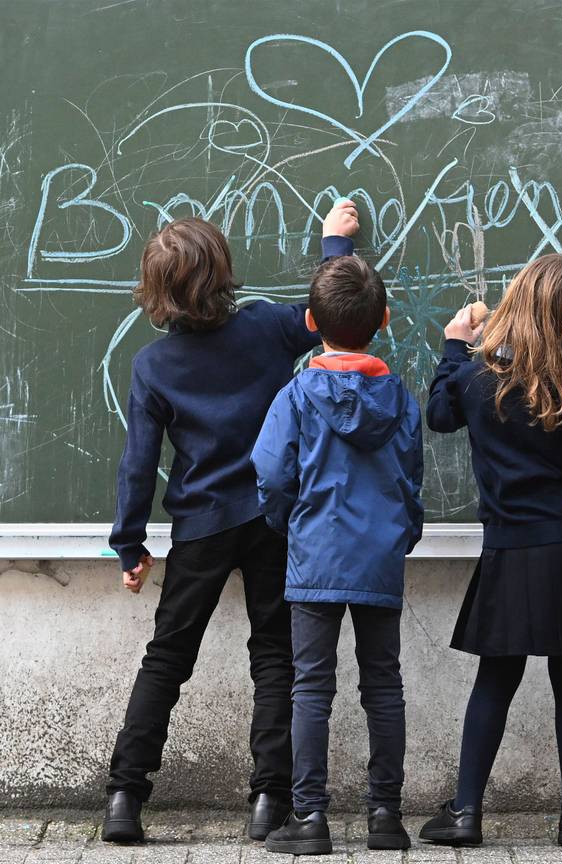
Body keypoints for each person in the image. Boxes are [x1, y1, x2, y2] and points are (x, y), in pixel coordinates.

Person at [101, 202, 361, 844]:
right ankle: (270, 801)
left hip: (201, 525)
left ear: (157, 291)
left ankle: (124, 800)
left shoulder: (154, 366)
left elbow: (139, 465)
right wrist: (334, 245)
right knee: (275, 655)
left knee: (166, 658)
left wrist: (129, 544)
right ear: (223, 273)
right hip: (273, 517)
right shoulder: (268, 329)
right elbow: (332, 314)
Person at [420, 254, 562, 847]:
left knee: (495, 680)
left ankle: (465, 812)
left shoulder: (478, 381)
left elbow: (438, 416)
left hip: (510, 550)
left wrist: (456, 348)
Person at [252, 246, 424, 855]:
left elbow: (271, 476)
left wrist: (290, 523)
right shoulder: (400, 398)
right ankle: (385, 817)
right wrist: (404, 531)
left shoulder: (297, 396)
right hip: (378, 556)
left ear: (313, 324)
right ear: (382, 321)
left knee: (311, 689)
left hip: (316, 553)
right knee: (383, 684)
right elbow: (410, 476)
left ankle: (311, 819)